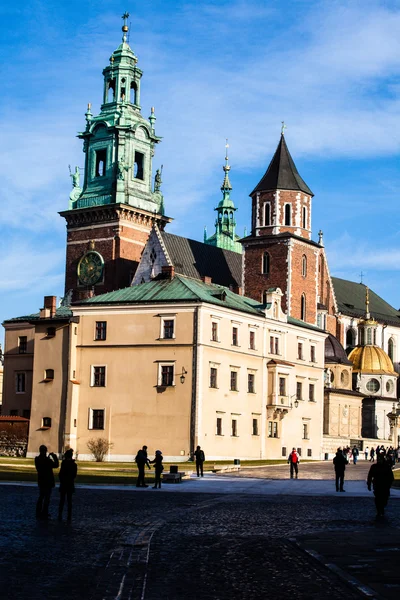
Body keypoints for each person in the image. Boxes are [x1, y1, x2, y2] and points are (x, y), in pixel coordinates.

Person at [34, 445, 59, 519]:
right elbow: (56, 465)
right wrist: (54, 457)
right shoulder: (47, 461)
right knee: (47, 498)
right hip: (48, 481)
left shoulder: (37, 459)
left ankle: (38, 511)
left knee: (41, 496)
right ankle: (44, 512)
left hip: (41, 480)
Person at [58, 449, 77, 521]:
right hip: (70, 484)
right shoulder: (74, 465)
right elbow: (74, 475)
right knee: (69, 500)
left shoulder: (64, 463)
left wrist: (62, 480)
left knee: (62, 500)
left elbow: (61, 474)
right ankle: (69, 515)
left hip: (63, 484)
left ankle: (60, 513)